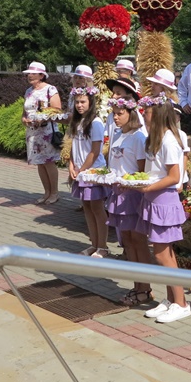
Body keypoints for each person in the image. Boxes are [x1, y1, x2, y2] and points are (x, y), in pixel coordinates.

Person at [137, 97, 191, 324]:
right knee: (165, 253)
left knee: (161, 254)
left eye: (148, 112)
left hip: (164, 201)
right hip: (153, 199)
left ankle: (181, 304)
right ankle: (171, 299)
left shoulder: (169, 140)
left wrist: (148, 187)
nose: (144, 115)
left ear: (158, 114)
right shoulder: (155, 138)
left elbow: (174, 176)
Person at [104, 83, 152, 306]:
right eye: (114, 113)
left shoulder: (138, 137)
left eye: (119, 113)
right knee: (127, 242)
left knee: (138, 241)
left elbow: (142, 171)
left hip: (132, 194)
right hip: (118, 192)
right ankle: (137, 285)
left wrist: (128, 182)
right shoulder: (118, 133)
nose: (115, 117)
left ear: (131, 113)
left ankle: (145, 288)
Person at [68, 86, 110, 257]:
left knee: (97, 208)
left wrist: (82, 169)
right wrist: (71, 165)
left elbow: (95, 151)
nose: (79, 105)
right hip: (80, 171)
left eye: (83, 102)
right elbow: (73, 146)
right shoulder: (77, 122)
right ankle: (94, 244)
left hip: (93, 172)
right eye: (77, 102)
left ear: (91, 102)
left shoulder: (95, 123)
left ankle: (103, 247)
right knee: (87, 208)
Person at [21, 61, 61, 204]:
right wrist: (24, 119)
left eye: (33, 73)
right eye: (28, 74)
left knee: (48, 162)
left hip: (47, 132)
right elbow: (24, 112)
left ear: (41, 75)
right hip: (33, 133)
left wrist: (42, 119)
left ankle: (54, 193)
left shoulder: (50, 89)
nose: (30, 76)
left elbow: (57, 110)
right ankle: (46, 192)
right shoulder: (28, 91)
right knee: (40, 163)